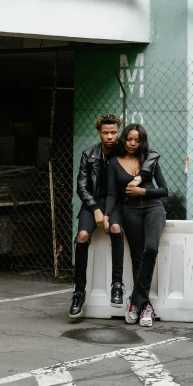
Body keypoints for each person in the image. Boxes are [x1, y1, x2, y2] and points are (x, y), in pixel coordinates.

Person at [69, 114, 160, 320]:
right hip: (92, 204)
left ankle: (117, 285)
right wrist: (96, 210)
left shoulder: (126, 148)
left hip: (116, 203)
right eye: (105, 133)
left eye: (113, 133)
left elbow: (152, 153)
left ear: (118, 132)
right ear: (99, 133)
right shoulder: (88, 154)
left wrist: (139, 177)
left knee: (116, 229)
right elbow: (82, 187)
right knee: (82, 235)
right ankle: (78, 292)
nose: (110, 137)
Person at [105, 124, 168, 328]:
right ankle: (145, 307)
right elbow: (113, 194)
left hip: (153, 208)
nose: (133, 143)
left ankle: (134, 302)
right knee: (137, 257)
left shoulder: (148, 161)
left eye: (137, 140)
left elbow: (164, 190)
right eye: (130, 139)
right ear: (124, 139)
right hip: (130, 210)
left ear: (142, 142)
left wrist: (143, 192)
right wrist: (106, 215)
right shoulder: (114, 163)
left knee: (151, 248)